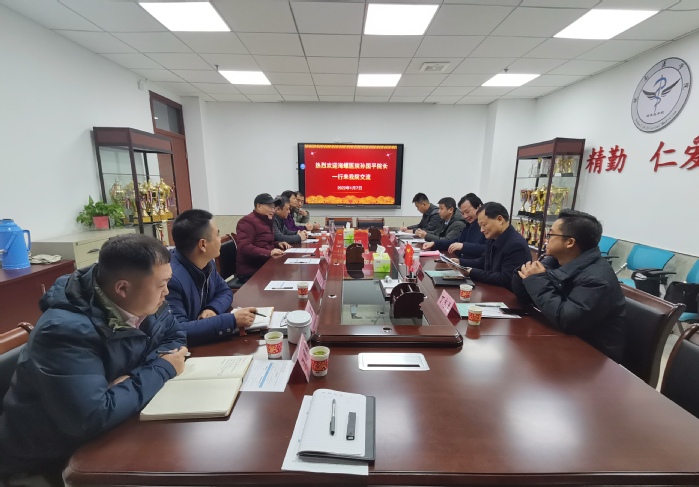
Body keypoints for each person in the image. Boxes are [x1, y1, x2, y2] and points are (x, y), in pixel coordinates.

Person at [0, 234, 187, 474]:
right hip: (48, 456)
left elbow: (174, 335)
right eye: (161, 285)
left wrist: (132, 377)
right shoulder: (64, 331)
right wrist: (163, 368)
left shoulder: (142, 300)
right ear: (122, 288)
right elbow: (91, 416)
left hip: (115, 427)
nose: (167, 292)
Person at [512, 210, 626, 362]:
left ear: (570, 242)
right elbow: (526, 295)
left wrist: (535, 279)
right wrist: (525, 276)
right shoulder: (557, 261)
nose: (545, 239)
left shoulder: (597, 280)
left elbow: (566, 319)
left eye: (550, 235)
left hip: (592, 358)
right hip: (563, 341)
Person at [167, 209, 256, 345]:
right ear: (203, 245)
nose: (220, 239)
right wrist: (232, 321)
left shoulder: (207, 263)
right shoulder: (170, 279)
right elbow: (179, 331)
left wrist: (212, 308)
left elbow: (224, 291)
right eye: (217, 234)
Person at [453, 202, 530, 290]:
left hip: (507, 294)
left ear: (500, 220)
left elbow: (506, 278)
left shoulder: (516, 245)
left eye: (484, 225)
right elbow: (482, 262)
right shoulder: (493, 239)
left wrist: (471, 272)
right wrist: (460, 262)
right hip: (491, 289)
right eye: (480, 226)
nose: (481, 230)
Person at [236, 193, 288, 282]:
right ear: (259, 206)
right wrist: (269, 253)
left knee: (288, 271)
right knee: (285, 275)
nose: (273, 210)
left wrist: (277, 244)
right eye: (270, 207)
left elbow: (263, 243)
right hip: (251, 270)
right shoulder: (247, 222)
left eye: (274, 207)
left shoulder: (266, 220)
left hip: (264, 264)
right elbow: (244, 247)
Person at [423, 193, 486, 258]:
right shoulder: (469, 225)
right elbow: (456, 241)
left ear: (479, 207)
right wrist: (434, 243)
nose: (465, 216)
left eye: (467, 212)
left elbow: (486, 249)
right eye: (462, 213)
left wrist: (463, 246)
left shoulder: (486, 227)